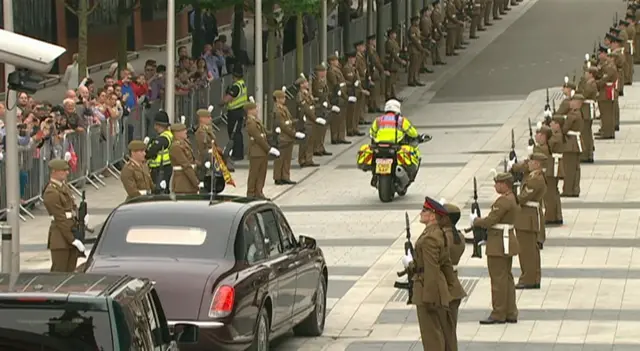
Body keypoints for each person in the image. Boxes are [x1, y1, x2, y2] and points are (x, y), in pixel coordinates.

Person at [401, 196, 457, 350]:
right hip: (437, 286)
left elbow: (431, 269)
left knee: (431, 336)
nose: (421, 213)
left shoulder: (429, 238)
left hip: (428, 287)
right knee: (442, 332)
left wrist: (429, 298)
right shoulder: (437, 233)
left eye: (424, 210)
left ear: (432, 216)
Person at [471, 172, 519, 324]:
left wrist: (476, 221)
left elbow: (490, 221)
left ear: (504, 184)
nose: (495, 186)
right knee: (507, 278)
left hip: (499, 243)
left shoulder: (503, 201)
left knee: (498, 280)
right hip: (506, 240)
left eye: (497, 183)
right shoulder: (511, 198)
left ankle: (498, 313)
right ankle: (510, 311)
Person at [43, 159, 86, 272]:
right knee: (59, 273)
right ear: (54, 171)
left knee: (70, 272)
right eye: (63, 170)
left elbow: (72, 207)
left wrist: (81, 217)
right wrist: (72, 239)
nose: (67, 173)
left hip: (70, 232)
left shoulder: (64, 187)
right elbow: (60, 219)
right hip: (60, 238)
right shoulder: (51, 192)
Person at [512, 153, 547, 290]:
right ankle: (532, 277)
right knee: (530, 251)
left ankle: (529, 278)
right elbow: (520, 168)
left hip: (527, 219)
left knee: (527, 251)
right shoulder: (533, 175)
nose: (529, 163)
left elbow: (522, 198)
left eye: (532, 161)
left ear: (537, 164)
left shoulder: (535, 180)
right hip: (527, 217)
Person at [369, 99, 421, 184]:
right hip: (394, 146)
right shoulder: (401, 120)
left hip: (379, 147)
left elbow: (372, 133)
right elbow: (413, 133)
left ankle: (374, 175)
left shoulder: (378, 120)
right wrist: (417, 137)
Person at [440, 201, 467, 331]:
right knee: (451, 327)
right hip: (453, 279)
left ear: (446, 219)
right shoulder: (459, 237)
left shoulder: (443, 238)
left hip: (443, 280)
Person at [245, 102, 278, 198]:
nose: (257, 110)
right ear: (249, 111)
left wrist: (273, 132)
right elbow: (258, 137)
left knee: (261, 173)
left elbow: (264, 133)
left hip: (261, 151)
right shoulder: (250, 122)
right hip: (256, 152)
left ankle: (259, 192)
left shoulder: (256, 121)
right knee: (254, 173)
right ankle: (251, 193)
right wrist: (268, 149)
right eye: (255, 109)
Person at [273, 90, 305, 185]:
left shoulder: (284, 108)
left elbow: (289, 120)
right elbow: (283, 125)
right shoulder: (277, 110)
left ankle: (285, 176)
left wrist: (293, 122)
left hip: (288, 137)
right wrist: (294, 134)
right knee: (280, 158)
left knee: (287, 158)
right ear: (277, 99)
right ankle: (278, 177)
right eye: (282, 98)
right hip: (283, 136)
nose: (284, 99)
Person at [222, 67, 248, 161]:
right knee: (238, 133)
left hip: (234, 112)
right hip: (240, 110)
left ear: (234, 76)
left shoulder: (236, 86)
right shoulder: (242, 84)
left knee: (234, 133)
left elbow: (227, 99)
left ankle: (236, 154)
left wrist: (221, 103)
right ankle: (238, 153)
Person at [295, 76, 322, 168]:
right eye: (305, 82)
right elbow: (305, 108)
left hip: (311, 119)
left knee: (311, 140)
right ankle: (302, 159)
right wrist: (314, 118)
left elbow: (312, 102)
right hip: (306, 119)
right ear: (301, 85)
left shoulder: (307, 93)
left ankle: (309, 159)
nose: (307, 84)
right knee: (305, 141)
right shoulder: (300, 95)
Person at [561, 94, 584, 197]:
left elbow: (564, 129)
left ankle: (568, 190)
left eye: (573, 101)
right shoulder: (578, 113)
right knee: (575, 168)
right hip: (576, 142)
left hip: (571, 143)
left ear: (578, 103)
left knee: (569, 168)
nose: (570, 103)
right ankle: (575, 188)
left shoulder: (572, 115)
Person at [195, 108, 222, 193]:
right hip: (205, 161)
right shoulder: (201, 132)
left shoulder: (207, 130)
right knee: (206, 183)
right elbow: (202, 149)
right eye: (208, 117)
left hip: (211, 159)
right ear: (201, 119)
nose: (210, 119)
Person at [146, 111, 173, 194]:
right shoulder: (168, 135)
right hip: (164, 168)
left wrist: (146, 148)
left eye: (156, 124)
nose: (154, 127)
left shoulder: (163, 138)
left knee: (159, 191)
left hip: (160, 169)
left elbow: (151, 152)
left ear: (159, 125)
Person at [169, 123, 199, 194]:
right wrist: (195, 182)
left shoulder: (185, 143)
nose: (186, 131)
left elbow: (192, 161)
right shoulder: (176, 147)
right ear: (176, 133)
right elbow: (186, 165)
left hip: (189, 180)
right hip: (182, 183)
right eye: (183, 130)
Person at [311, 64, 334, 157]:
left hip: (324, 107)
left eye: (324, 71)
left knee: (323, 129)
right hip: (319, 107)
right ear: (318, 72)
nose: (324, 73)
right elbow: (319, 94)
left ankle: (321, 146)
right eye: (322, 71)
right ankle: (316, 148)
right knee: (319, 129)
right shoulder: (316, 82)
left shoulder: (323, 81)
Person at [326, 54, 350, 144]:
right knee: (336, 118)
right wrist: (343, 95)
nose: (337, 62)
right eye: (335, 60)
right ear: (331, 62)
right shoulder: (331, 71)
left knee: (342, 117)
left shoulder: (337, 70)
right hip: (337, 96)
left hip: (342, 95)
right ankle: (335, 137)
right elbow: (336, 85)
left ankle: (341, 136)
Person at [595, 46, 618, 139]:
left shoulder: (610, 66)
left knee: (607, 114)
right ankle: (605, 129)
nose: (599, 55)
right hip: (604, 91)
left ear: (605, 54)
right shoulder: (605, 64)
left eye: (600, 53)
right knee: (604, 113)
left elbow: (604, 79)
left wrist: (595, 84)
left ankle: (608, 132)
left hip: (607, 92)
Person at [547, 116, 566, 225]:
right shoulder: (557, 135)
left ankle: (551, 216)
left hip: (554, 165)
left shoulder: (556, 136)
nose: (551, 125)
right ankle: (556, 214)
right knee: (553, 190)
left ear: (558, 125)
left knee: (550, 192)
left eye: (553, 123)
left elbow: (547, 144)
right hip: (554, 164)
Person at [342, 52, 365, 137]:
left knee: (356, 112)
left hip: (357, 92)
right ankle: (350, 129)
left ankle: (355, 128)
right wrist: (354, 83)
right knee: (350, 112)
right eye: (353, 58)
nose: (354, 60)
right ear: (349, 59)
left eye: (354, 58)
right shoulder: (346, 68)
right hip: (351, 91)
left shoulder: (354, 68)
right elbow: (350, 79)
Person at [579, 67, 598, 163]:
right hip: (586, 110)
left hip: (586, 110)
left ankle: (586, 154)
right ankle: (589, 152)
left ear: (591, 74)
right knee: (587, 132)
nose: (585, 74)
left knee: (585, 133)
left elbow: (583, 95)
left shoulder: (590, 84)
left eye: (586, 72)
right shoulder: (589, 83)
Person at [367, 34, 388, 112]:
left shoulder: (373, 50)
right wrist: (382, 70)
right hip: (373, 72)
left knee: (376, 91)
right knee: (374, 91)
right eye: (374, 40)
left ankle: (376, 106)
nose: (375, 42)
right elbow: (375, 62)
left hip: (376, 72)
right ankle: (373, 106)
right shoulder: (370, 51)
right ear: (371, 41)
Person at [384, 28, 407, 100]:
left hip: (395, 63)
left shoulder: (394, 42)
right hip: (391, 63)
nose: (395, 35)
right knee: (390, 81)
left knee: (393, 80)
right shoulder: (389, 43)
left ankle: (393, 95)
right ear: (390, 35)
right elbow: (393, 54)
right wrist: (401, 61)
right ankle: (388, 95)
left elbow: (398, 50)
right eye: (394, 34)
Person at [408, 16, 426, 86]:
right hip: (413, 49)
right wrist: (421, 48)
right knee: (413, 65)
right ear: (413, 21)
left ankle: (416, 78)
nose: (418, 22)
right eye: (417, 21)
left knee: (417, 65)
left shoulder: (416, 28)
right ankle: (411, 79)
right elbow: (415, 40)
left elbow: (419, 37)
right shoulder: (412, 29)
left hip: (417, 49)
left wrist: (424, 38)